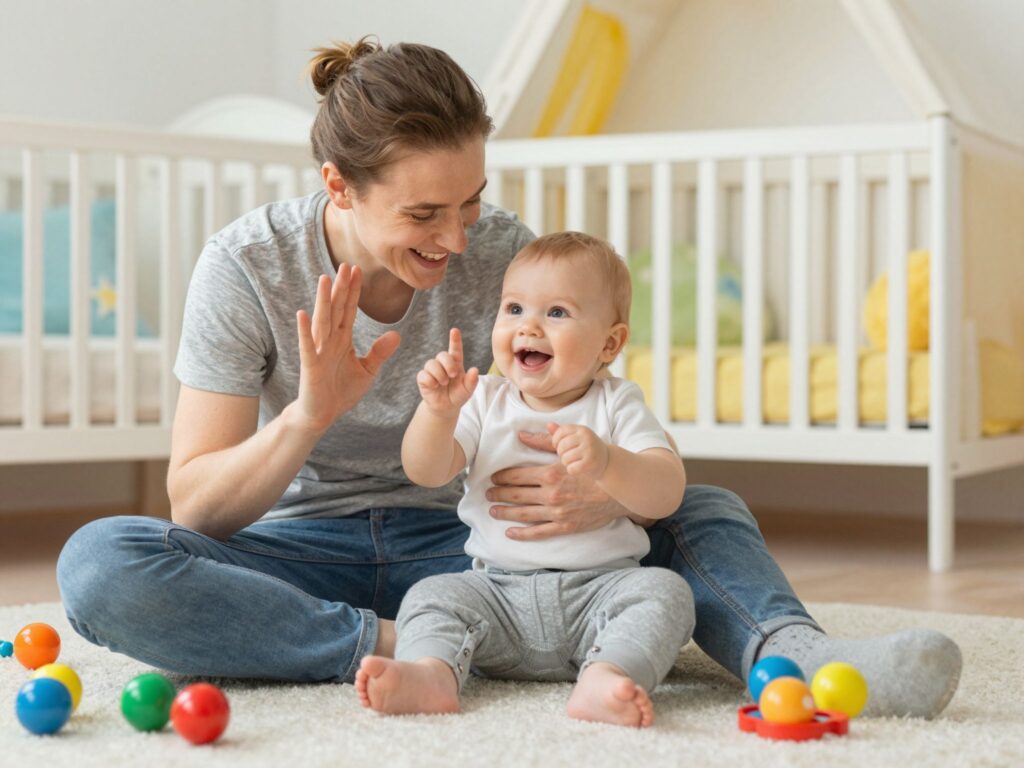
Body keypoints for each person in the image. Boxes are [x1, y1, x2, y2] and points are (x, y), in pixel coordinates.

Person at [55, 38, 961, 719]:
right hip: (300, 555)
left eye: (471, 202)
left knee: (701, 506)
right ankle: (395, 646)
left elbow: (587, 412)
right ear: (338, 187)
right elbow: (195, 512)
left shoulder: (500, 253)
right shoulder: (246, 267)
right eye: (423, 213)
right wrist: (307, 416)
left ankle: (792, 655)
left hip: (472, 542)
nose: (456, 241)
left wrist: (601, 493)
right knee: (102, 565)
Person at [356, 232, 693, 727]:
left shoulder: (617, 403)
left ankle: (610, 673)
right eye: (513, 308)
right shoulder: (485, 398)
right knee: (432, 595)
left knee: (667, 593)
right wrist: (437, 414)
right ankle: (431, 673)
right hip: (495, 597)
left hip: (599, 595)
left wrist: (607, 464)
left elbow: (667, 492)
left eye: (556, 312)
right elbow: (425, 471)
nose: (528, 326)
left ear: (610, 342)